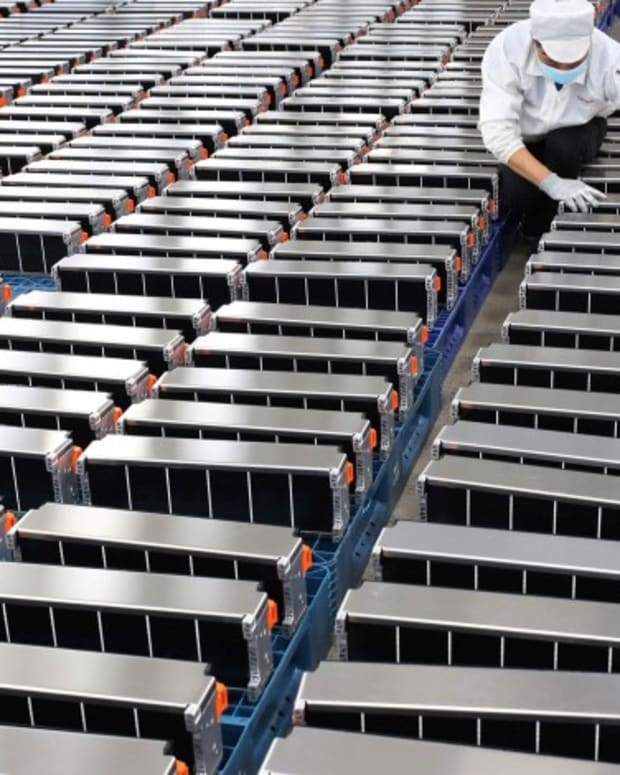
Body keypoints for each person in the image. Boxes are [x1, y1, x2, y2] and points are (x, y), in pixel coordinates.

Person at [479, 0, 620, 243]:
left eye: (575, 62)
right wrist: (551, 183)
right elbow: (497, 131)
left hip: (580, 129)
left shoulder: (610, 57)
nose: (564, 69)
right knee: (518, 197)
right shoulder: (506, 50)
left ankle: (545, 229)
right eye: (553, 61)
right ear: (535, 42)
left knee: (563, 148)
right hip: (526, 135)